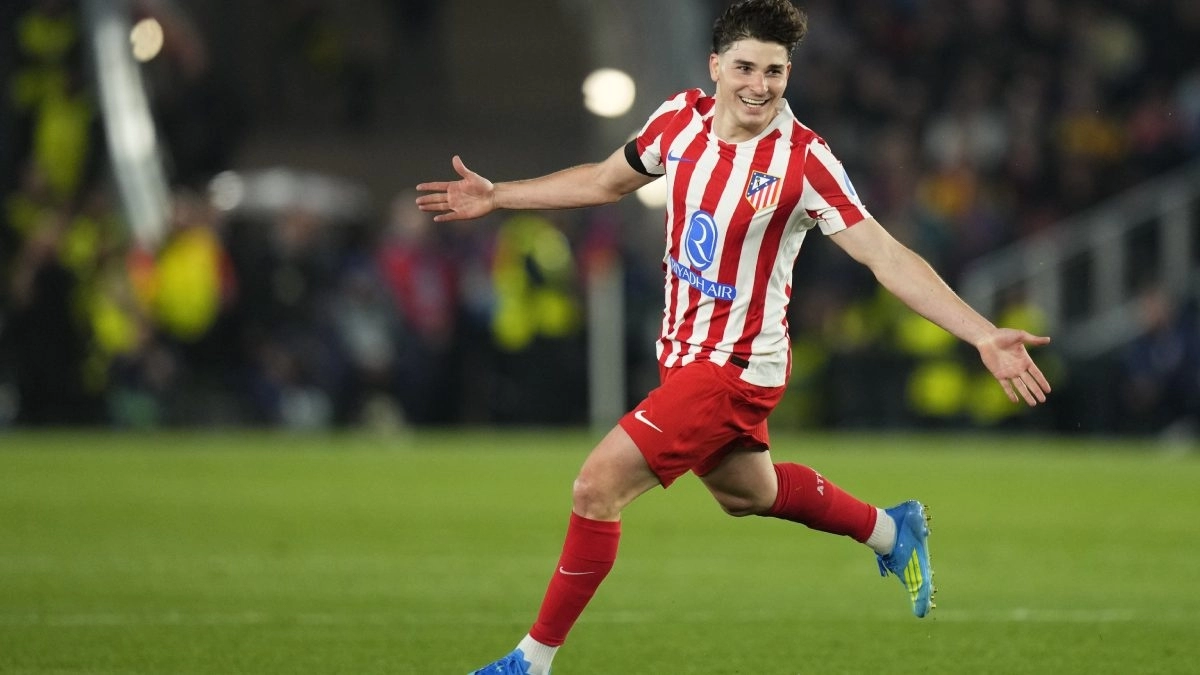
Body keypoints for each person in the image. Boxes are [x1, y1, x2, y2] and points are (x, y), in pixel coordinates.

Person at [416, 2, 1052, 673]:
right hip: (683, 356)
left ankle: (529, 662)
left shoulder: (804, 161)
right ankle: (893, 529)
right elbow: (606, 180)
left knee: (595, 486)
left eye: (775, 71)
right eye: (746, 67)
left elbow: (886, 255)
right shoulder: (679, 120)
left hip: (737, 366)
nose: (760, 84)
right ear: (716, 67)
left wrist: (981, 334)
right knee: (748, 493)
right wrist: (499, 196)